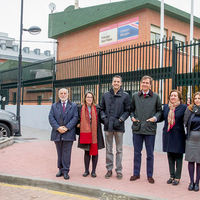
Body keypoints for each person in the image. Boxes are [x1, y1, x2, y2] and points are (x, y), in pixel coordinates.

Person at [130, 75, 162, 184]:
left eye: (147, 83)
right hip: (137, 128)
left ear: (150, 85)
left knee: (150, 154)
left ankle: (150, 175)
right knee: (136, 153)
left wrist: (155, 118)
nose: (144, 84)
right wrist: (132, 117)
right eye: (143, 82)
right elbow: (131, 110)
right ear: (141, 83)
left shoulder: (156, 97)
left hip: (150, 129)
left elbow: (159, 111)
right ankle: (136, 173)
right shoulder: (135, 96)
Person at [100, 75, 131, 179]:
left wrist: (121, 119)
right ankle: (109, 169)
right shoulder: (105, 95)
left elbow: (128, 110)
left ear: (121, 83)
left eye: (118, 81)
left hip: (119, 126)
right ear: (112, 83)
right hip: (108, 125)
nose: (116, 83)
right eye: (115, 81)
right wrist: (104, 119)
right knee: (108, 149)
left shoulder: (126, 96)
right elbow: (101, 109)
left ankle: (119, 170)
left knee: (119, 150)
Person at [49, 88, 78, 180]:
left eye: (65, 93)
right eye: (61, 93)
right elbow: (51, 118)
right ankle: (60, 169)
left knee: (67, 153)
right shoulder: (54, 106)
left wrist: (66, 128)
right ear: (58, 95)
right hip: (57, 133)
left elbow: (75, 118)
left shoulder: (73, 106)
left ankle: (66, 171)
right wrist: (58, 127)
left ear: (68, 94)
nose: (63, 95)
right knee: (59, 152)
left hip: (68, 133)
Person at [77, 91, 105, 178]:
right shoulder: (80, 108)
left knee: (95, 152)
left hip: (95, 133)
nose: (89, 98)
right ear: (85, 98)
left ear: (93, 99)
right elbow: (77, 118)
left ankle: (93, 171)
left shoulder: (97, 108)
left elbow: (102, 118)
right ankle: (86, 170)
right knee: (87, 151)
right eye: (88, 97)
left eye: (91, 97)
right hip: (85, 132)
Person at [162, 90, 187, 185]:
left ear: (179, 98)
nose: (173, 97)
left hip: (178, 135)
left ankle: (177, 177)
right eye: (171, 95)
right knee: (170, 155)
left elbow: (187, 119)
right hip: (168, 134)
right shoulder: (166, 107)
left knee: (178, 156)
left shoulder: (183, 107)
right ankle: (171, 175)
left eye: (175, 96)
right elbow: (161, 117)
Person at [184, 92, 200, 192]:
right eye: (196, 98)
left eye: (199, 98)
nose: (197, 100)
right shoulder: (189, 109)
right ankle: (191, 182)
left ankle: (197, 183)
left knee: (199, 162)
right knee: (191, 160)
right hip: (191, 138)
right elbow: (185, 122)